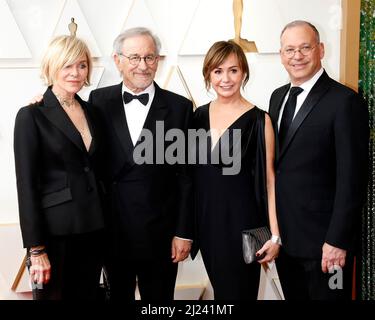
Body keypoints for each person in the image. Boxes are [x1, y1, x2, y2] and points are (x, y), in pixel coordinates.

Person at [88, 27, 194, 300]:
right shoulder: (97, 101)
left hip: (160, 234)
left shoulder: (180, 107)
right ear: (117, 60)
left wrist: (183, 232)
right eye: (134, 57)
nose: (143, 66)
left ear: (158, 60)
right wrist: (41, 102)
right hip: (112, 231)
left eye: (150, 57)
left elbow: (185, 175)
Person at [269, 20, 369, 300]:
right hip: (287, 244)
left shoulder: (345, 102)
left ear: (321, 50)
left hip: (327, 248)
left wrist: (337, 240)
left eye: (305, 47)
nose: (297, 56)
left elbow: (353, 180)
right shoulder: (277, 98)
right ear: (281, 55)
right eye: (289, 49)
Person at [13, 35, 105, 300]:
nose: (75, 73)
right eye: (67, 66)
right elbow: (26, 185)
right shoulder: (32, 115)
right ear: (52, 67)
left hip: (93, 230)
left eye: (81, 65)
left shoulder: (93, 112)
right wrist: (36, 249)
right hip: (54, 236)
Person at [191, 40, 281, 300]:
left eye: (233, 70)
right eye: (217, 71)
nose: (225, 79)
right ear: (208, 74)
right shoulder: (198, 116)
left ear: (244, 73)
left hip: (244, 226)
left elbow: (269, 181)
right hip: (208, 225)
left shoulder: (259, 120)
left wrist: (275, 236)